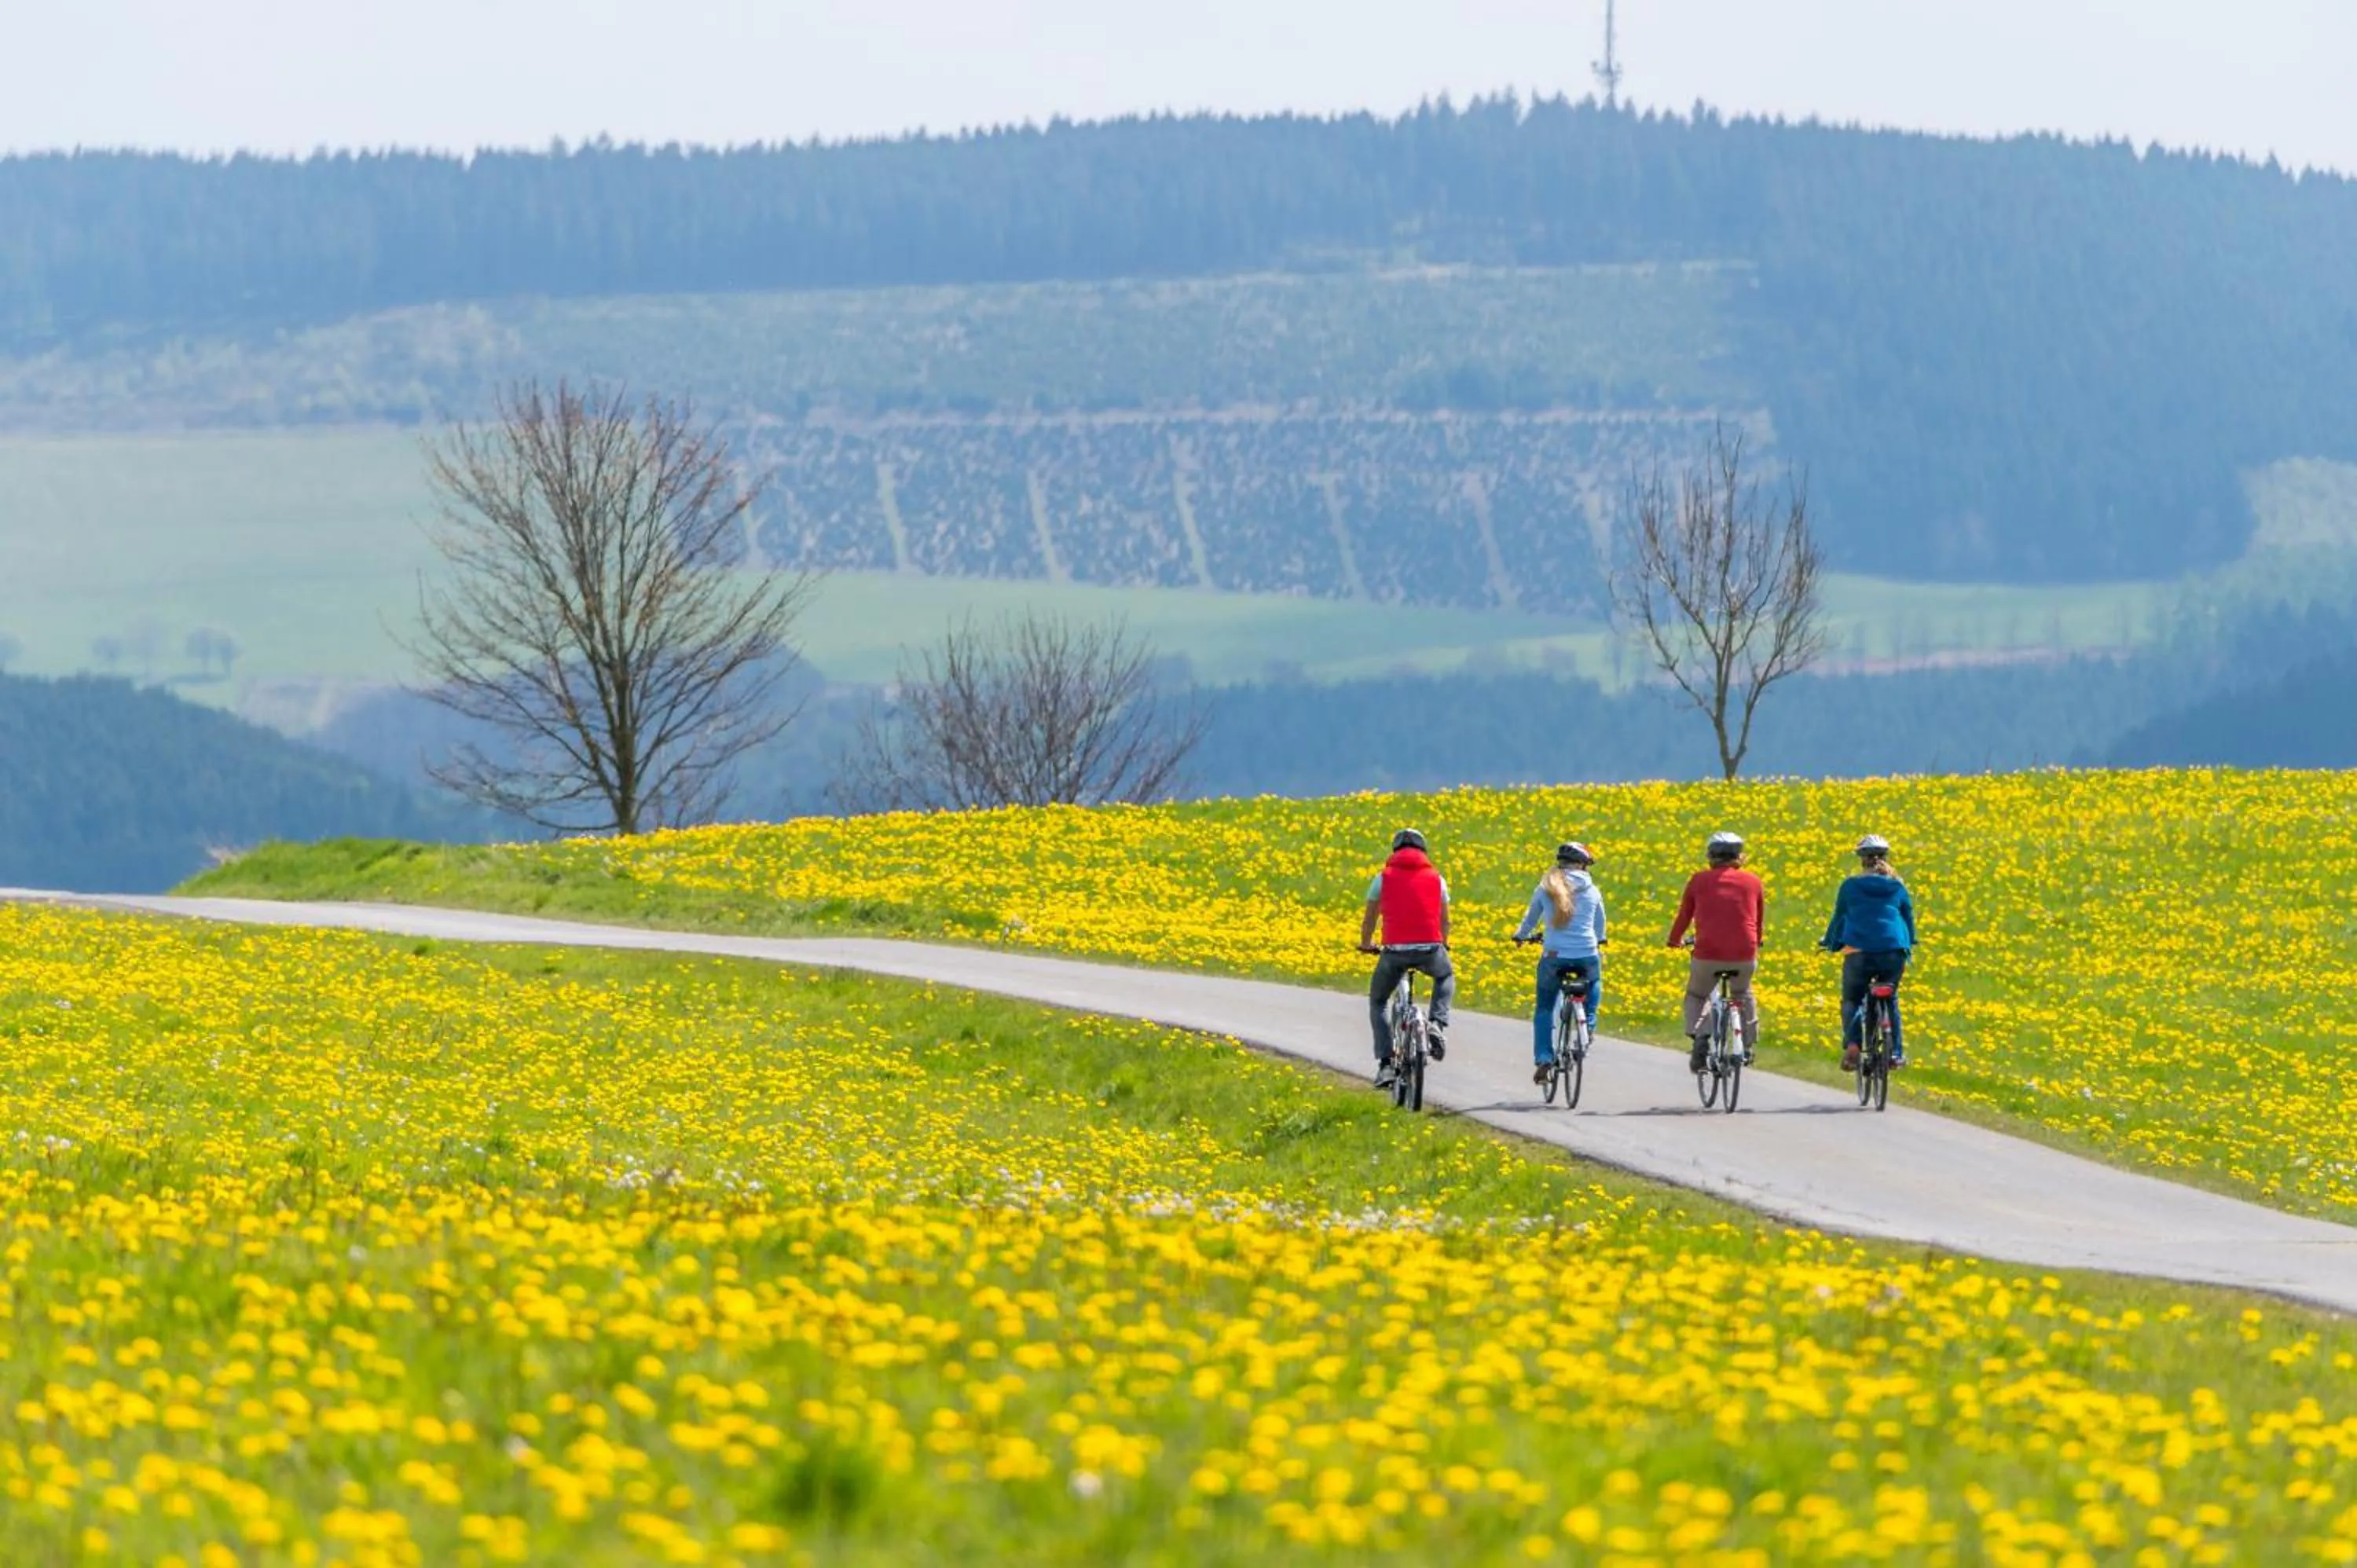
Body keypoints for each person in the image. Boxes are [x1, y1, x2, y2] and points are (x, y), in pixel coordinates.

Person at [1358, 827, 1455, 1086]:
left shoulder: (1382, 878)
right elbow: (1445, 919)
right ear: (1423, 852)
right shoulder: (1438, 879)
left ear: (1395, 851)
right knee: (1444, 975)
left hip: (1394, 952)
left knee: (1378, 1000)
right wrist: (1443, 943)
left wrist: (1366, 944)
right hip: (1430, 949)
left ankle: (1386, 1065)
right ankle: (1436, 1023)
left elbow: (1370, 919)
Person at [1665, 830, 1764, 1072]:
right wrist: (1756, 941)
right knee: (1743, 994)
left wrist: (1674, 940)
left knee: (1697, 995)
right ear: (1740, 857)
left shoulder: (1698, 880)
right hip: (1744, 953)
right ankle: (1747, 1045)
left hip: (1707, 953)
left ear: (1710, 856)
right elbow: (1758, 920)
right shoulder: (1753, 882)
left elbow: (1684, 916)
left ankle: (1701, 1038)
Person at [1512, 841, 1606, 1086]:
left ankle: (1544, 1057)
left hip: (1554, 957)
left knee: (1544, 1007)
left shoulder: (1546, 887)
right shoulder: (1593, 890)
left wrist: (1521, 936)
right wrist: (1600, 940)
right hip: (1586, 954)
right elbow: (1600, 925)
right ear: (1583, 865)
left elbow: (1531, 918)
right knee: (1593, 981)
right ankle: (1589, 1025)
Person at [1821, 833, 1918, 1069]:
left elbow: (1839, 918)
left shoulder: (1851, 886)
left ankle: (1854, 1044)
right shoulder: (1897, 886)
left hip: (1859, 950)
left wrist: (1831, 943)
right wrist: (1911, 942)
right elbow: (1908, 919)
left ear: (1861, 859)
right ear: (1885, 857)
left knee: (1853, 999)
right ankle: (1895, 1053)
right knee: (1891, 998)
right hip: (1893, 950)